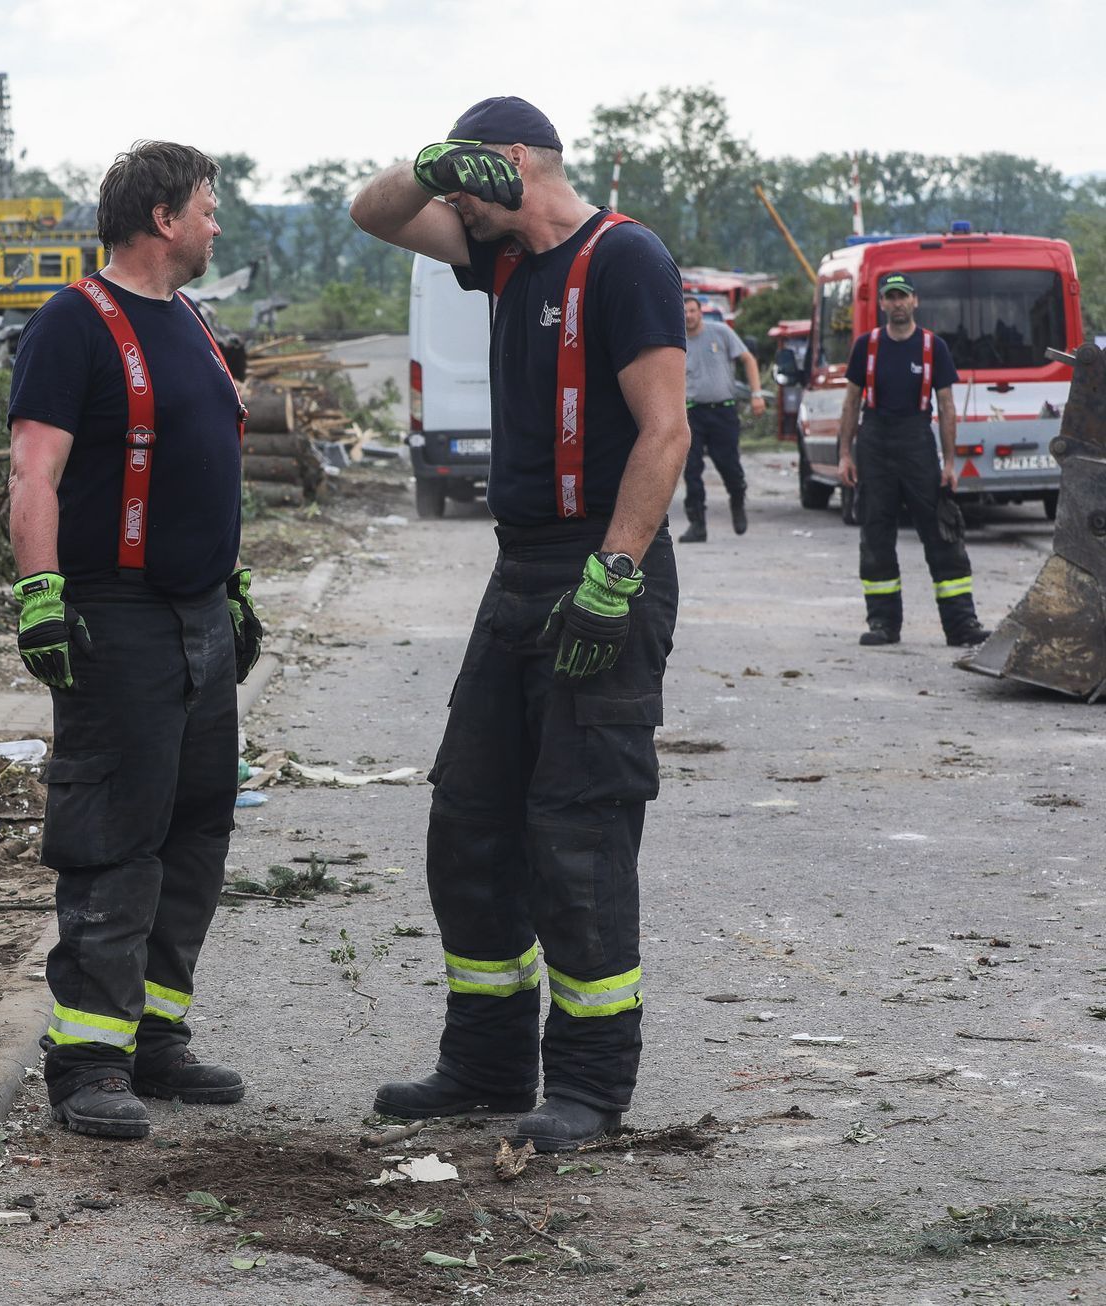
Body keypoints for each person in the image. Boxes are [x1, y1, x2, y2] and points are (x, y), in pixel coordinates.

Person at [350, 98, 688, 1152]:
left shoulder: (624, 259)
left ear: (510, 165)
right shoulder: (498, 257)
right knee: (470, 818)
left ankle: (588, 1086)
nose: (447, 205)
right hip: (518, 569)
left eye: (464, 182)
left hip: (600, 565)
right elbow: (373, 211)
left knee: (576, 836)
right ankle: (487, 1062)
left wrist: (613, 574)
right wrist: (429, 160)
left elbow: (664, 431)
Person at [5, 141, 263, 1140]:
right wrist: (39, 594)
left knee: (195, 827)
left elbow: (205, 462)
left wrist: (230, 584)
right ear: (160, 217)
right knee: (115, 838)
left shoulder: (189, 321)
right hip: (115, 618)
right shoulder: (73, 324)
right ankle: (86, 1064)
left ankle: (155, 1040)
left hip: (198, 618)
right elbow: (33, 472)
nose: (214, 223)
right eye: (206, 206)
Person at [836, 273, 989, 647]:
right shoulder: (866, 346)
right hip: (874, 443)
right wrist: (844, 455)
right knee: (876, 535)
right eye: (891, 297)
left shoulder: (932, 347)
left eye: (903, 296)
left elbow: (947, 406)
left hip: (917, 442)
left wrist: (950, 464)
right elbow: (851, 402)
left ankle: (961, 625)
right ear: (883, 304)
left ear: (914, 301)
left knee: (941, 532)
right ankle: (883, 624)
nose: (898, 303)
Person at [678, 294, 765, 542]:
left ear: (700, 313)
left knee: (730, 467)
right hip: (692, 412)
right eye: (684, 311)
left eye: (692, 310)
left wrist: (756, 394)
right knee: (692, 470)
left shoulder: (720, 332)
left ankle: (737, 502)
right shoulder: (677, 340)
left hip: (723, 411)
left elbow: (748, 359)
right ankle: (697, 523)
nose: (688, 315)